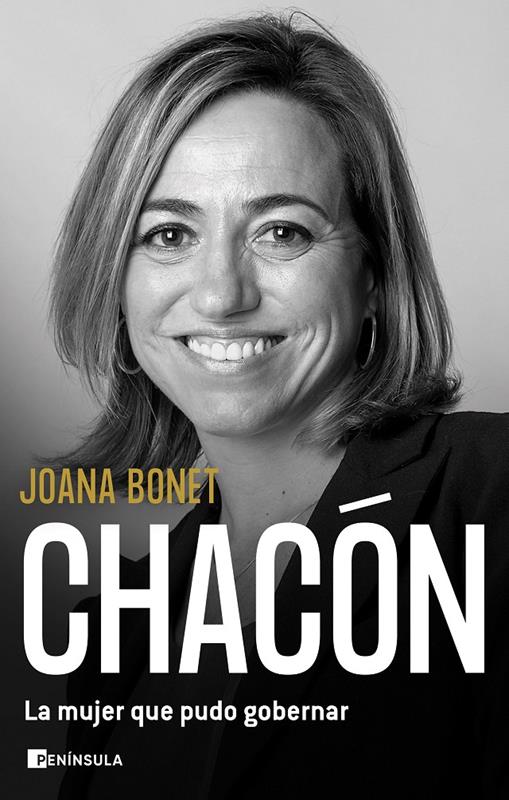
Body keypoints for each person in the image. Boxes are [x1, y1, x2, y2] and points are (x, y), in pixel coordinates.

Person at [53, 12, 509, 799]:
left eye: (283, 232)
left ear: (375, 275)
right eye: (168, 235)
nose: (221, 295)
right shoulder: (116, 630)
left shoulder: (490, 503)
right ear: (115, 284)